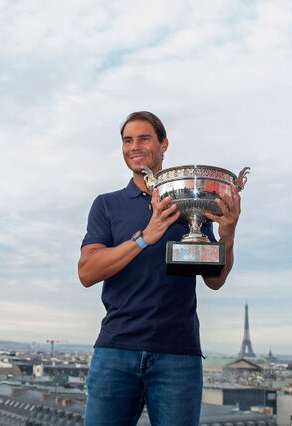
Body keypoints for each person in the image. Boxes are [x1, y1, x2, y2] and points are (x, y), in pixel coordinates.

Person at [78, 111, 242, 426]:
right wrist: (144, 238)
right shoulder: (107, 205)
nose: (134, 146)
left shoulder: (191, 203)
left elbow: (215, 280)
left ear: (163, 144)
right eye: (127, 140)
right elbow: (86, 272)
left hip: (178, 352)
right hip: (116, 350)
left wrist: (228, 237)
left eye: (144, 138)